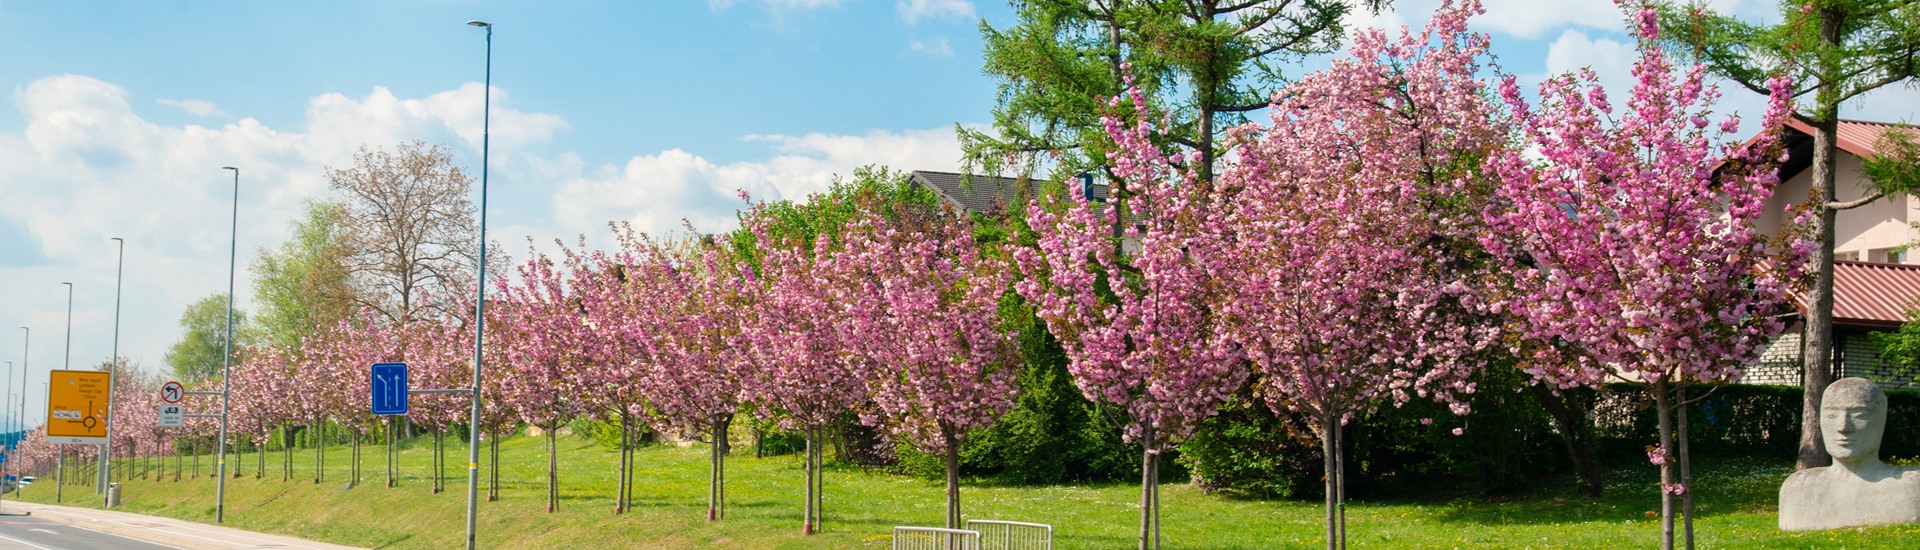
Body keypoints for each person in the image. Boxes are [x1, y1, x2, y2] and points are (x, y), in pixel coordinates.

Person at [1779, 377, 1920, 531]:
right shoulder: (1798, 488)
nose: (1843, 427)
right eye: (1832, 415)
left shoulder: (1912, 486)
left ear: (1881, 420)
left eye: (1859, 416)